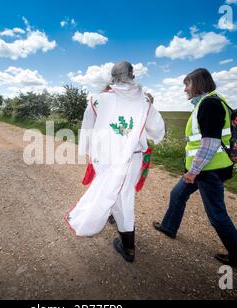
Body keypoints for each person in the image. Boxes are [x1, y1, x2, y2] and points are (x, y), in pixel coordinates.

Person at [65, 61, 165, 263]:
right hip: (132, 157)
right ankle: (118, 224)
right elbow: (157, 131)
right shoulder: (145, 102)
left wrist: (88, 153)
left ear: (112, 78)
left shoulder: (97, 100)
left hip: (106, 157)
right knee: (122, 192)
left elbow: (87, 130)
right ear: (133, 76)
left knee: (122, 197)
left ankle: (128, 247)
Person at [153, 68, 237, 268]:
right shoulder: (210, 102)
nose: (184, 90)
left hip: (208, 170)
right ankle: (168, 226)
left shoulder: (209, 104)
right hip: (206, 168)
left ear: (198, 84)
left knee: (217, 214)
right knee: (177, 194)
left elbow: (210, 143)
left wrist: (193, 172)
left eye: (187, 84)